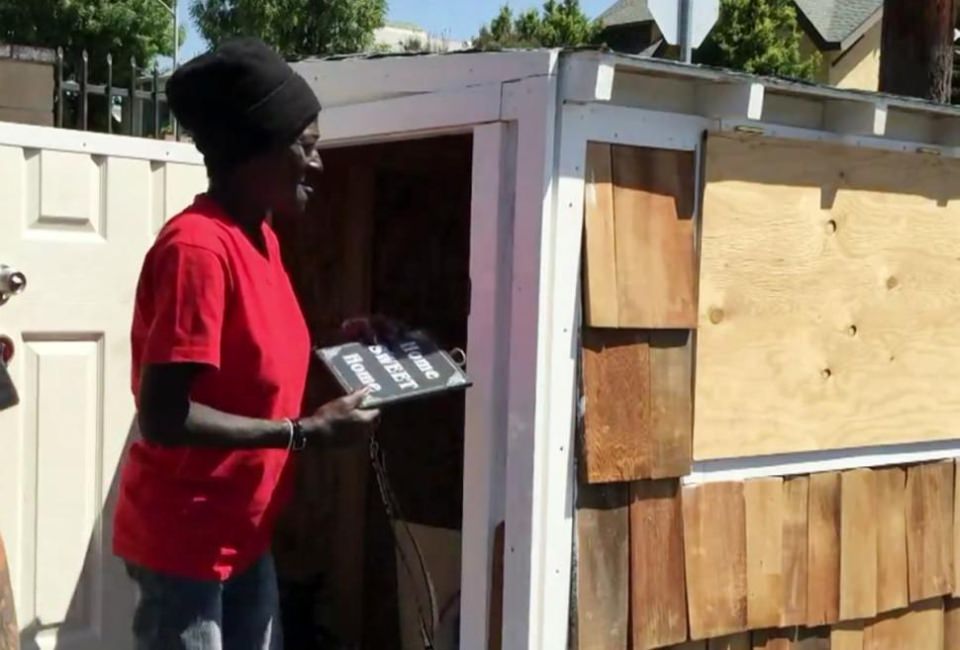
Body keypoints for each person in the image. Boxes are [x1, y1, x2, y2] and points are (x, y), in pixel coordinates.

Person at [112, 37, 379, 650]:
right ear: (251, 152)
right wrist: (303, 433)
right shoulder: (198, 250)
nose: (319, 164)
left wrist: (348, 342)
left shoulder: (259, 237)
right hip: (185, 545)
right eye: (305, 147)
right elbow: (164, 416)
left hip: (244, 533)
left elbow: (256, 359)